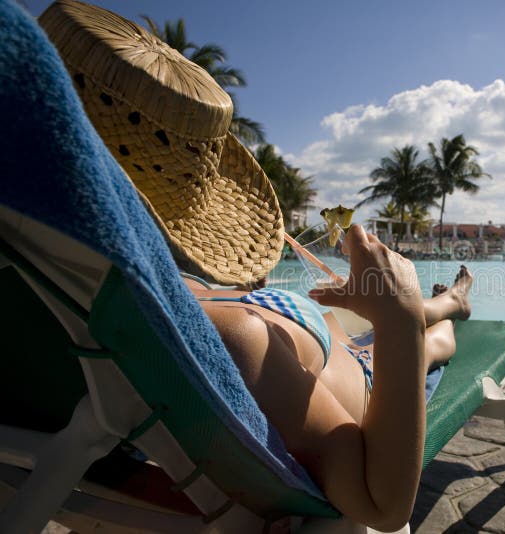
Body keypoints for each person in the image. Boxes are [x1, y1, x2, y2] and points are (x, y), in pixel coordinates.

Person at [38, 1, 473, 529]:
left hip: (295, 342)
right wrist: (401, 318)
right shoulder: (223, 338)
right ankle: (439, 312)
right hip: (355, 376)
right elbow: (382, 506)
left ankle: (445, 303)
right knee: (422, 342)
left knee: (367, 325)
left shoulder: (54, 282)